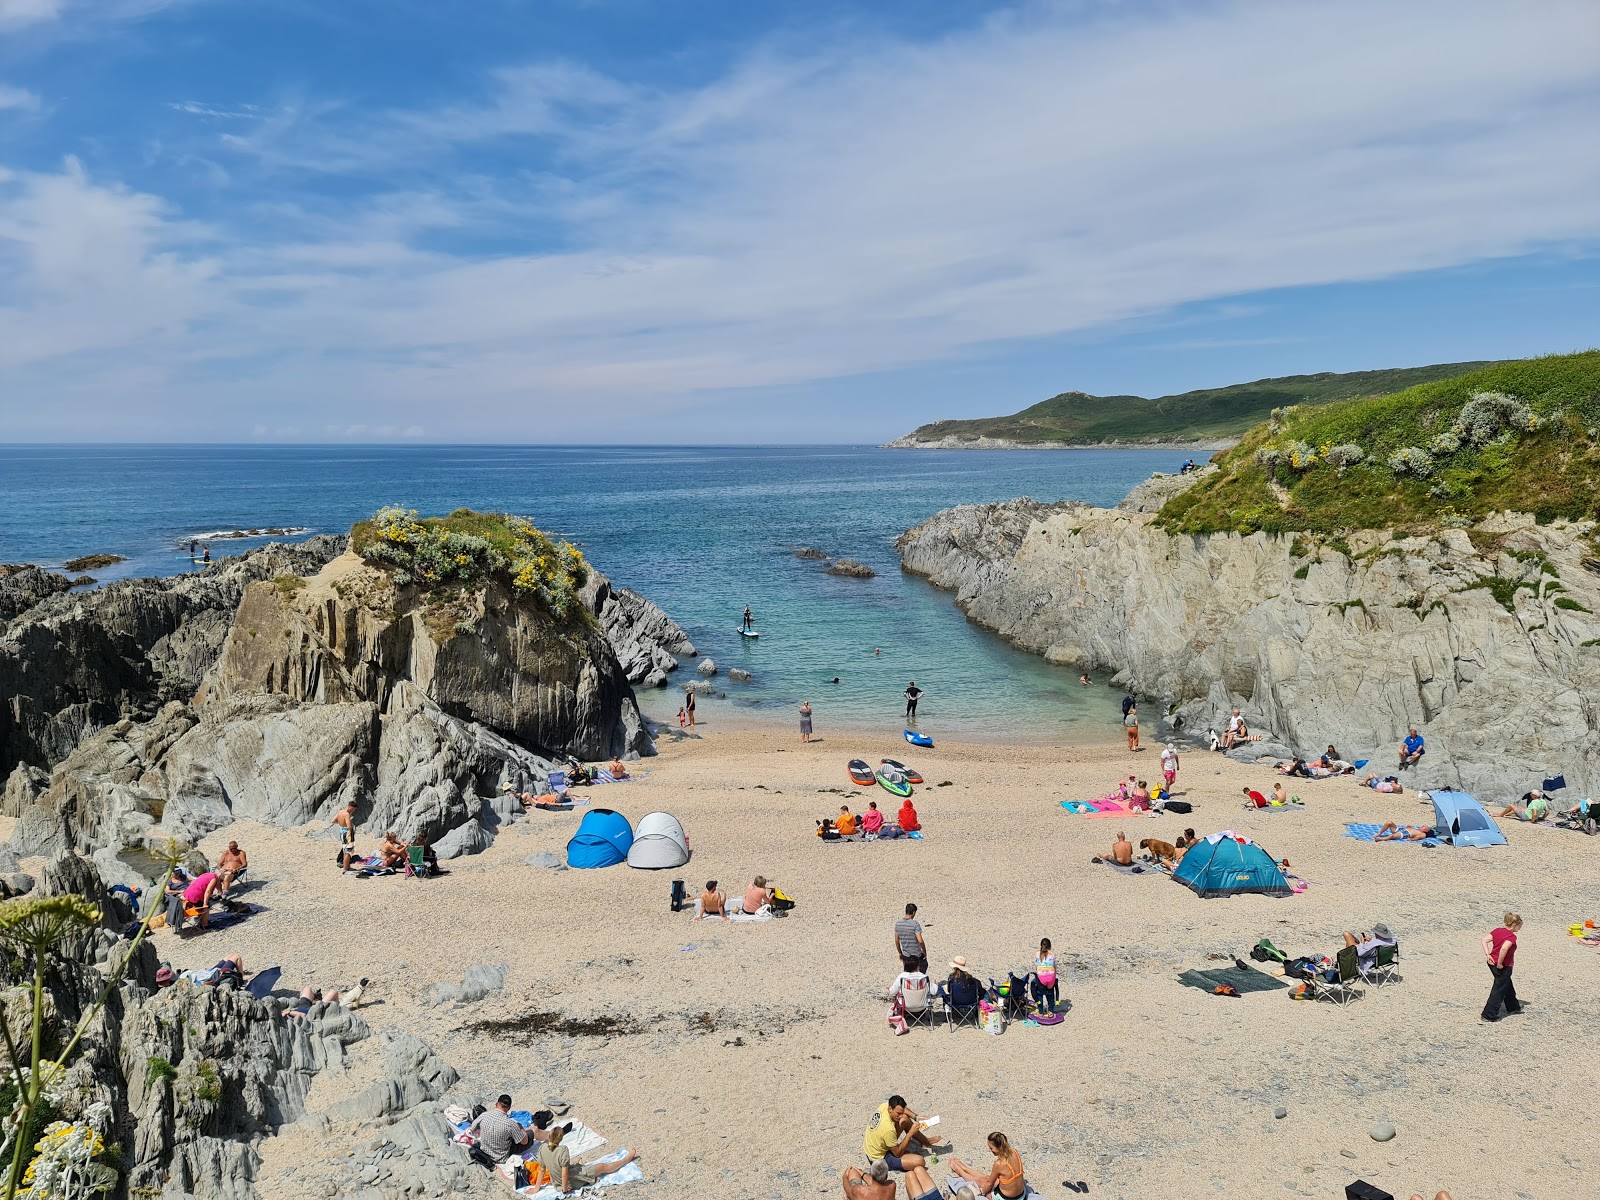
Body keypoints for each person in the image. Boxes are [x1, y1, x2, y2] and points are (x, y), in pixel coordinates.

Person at [538, 1119, 636, 1191]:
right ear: (561, 1138)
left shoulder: (542, 1148)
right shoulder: (562, 1150)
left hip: (556, 1181)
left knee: (577, 1159)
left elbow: (542, 1170)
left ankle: (590, 1177)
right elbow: (565, 1174)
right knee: (603, 1166)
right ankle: (626, 1159)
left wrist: (536, 1188)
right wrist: (565, 1190)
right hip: (570, 1180)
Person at [863, 1095, 933, 1172]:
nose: (900, 1116)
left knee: (905, 1119)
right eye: (898, 1113)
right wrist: (910, 1133)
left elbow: (903, 1109)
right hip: (878, 1158)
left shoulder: (884, 1106)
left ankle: (925, 1142)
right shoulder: (888, 1129)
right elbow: (897, 1154)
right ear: (890, 1108)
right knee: (920, 1161)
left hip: (873, 1146)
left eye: (901, 1113)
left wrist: (916, 1117)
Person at [950, 1132, 1026, 1200]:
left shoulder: (999, 1163)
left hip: (1006, 1198)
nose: (989, 1150)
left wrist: (981, 1191)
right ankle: (964, 1168)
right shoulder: (1014, 1151)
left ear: (999, 1147)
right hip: (1021, 1195)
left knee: (981, 1181)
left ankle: (959, 1170)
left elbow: (989, 1184)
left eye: (991, 1148)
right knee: (988, 1178)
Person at [1481, 912, 1523, 1022]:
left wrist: (1488, 954)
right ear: (1514, 924)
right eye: (1519, 926)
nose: (1519, 928)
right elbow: (1504, 948)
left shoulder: (1497, 931)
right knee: (1499, 989)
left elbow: (1484, 940)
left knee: (1506, 984)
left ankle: (1513, 1006)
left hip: (1491, 962)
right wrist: (1500, 963)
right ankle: (1488, 1014)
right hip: (1503, 966)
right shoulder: (1511, 937)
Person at [472, 1094, 533, 1164]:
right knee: (531, 1133)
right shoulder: (510, 1123)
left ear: (496, 1104)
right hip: (501, 1157)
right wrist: (521, 1127)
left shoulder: (484, 1115)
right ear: (509, 1108)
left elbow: (472, 1128)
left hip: (486, 1152)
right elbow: (524, 1142)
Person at [896, 903, 927, 973]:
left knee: (907, 973)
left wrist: (900, 952)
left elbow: (897, 941)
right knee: (924, 966)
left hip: (906, 955)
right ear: (914, 912)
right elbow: (920, 941)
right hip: (916, 955)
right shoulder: (915, 924)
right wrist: (924, 952)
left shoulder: (898, 923)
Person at [1030, 937, 1058, 1010]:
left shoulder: (1037, 954)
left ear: (1041, 945)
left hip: (1041, 978)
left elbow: (1037, 968)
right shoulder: (1052, 954)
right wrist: (1053, 978)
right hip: (1051, 977)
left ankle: (1041, 1011)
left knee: (1038, 991)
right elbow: (1055, 968)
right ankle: (1051, 1011)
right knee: (1050, 992)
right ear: (1049, 946)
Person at [333, 801, 358, 872]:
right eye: (353, 809)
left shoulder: (340, 812)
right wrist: (350, 824)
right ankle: (346, 868)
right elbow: (349, 826)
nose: (353, 811)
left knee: (345, 849)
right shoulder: (347, 814)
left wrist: (341, 824)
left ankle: (346, 866)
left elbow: (333, 821)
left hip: (342, 832)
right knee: (348, 851)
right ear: (350, 807)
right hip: (347, 833)